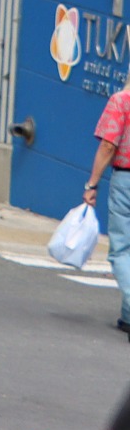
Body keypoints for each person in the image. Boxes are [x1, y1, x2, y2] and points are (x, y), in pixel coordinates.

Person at [86, 83, 130, 342]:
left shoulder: (121, 101)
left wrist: (92, 184)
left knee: (122, 250)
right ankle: (128, 316)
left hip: (126, 179)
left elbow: (108, 146)